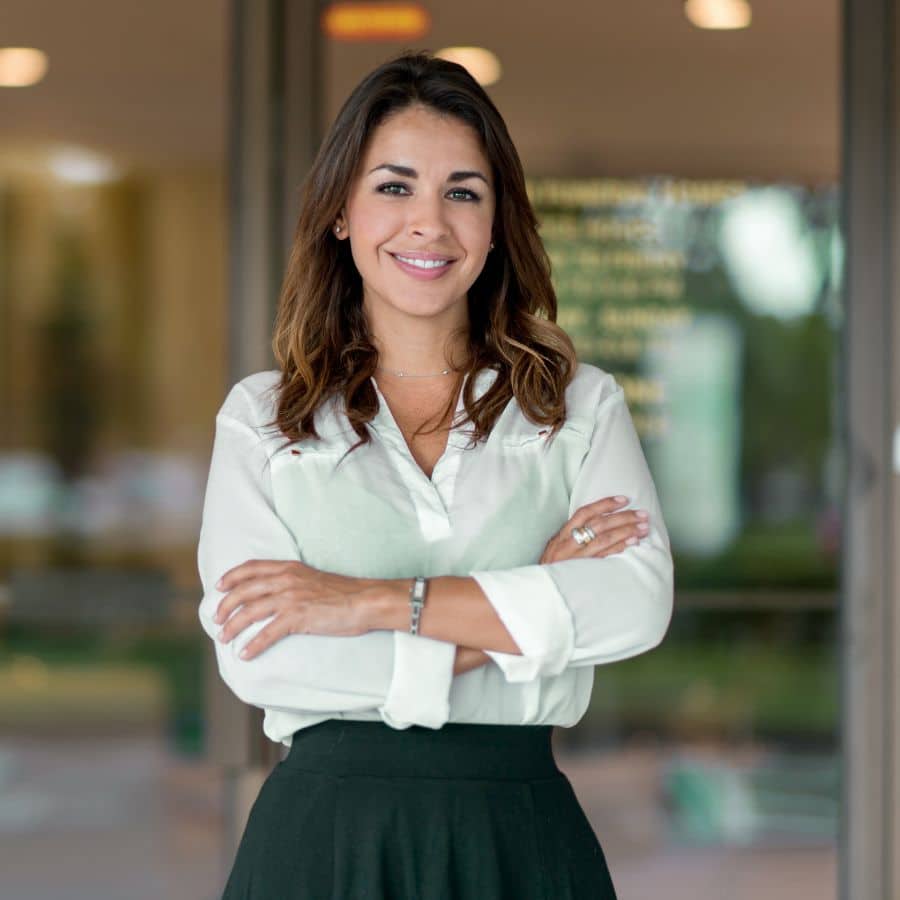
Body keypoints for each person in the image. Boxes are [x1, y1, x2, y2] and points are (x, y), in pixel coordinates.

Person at [197, 50, 673, 900]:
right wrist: (526, 610)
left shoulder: (577, 406)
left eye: (463, 192)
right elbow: (262, 657)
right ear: (341, 213)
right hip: (323, 843)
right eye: (393, 187)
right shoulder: (264, 417)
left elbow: (632, 604)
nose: (429, 222)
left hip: (518, 835)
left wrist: (367, 603)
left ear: (496, 226)